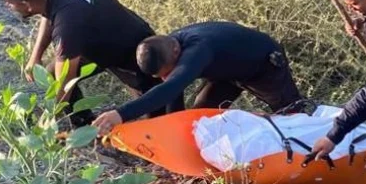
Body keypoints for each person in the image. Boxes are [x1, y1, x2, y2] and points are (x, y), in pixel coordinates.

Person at [0, 0, 168, 126]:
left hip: (134, 51)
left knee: (155, 116)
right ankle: (85, 125)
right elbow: (48, 15)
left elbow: (66, 80)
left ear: (26, 3)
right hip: (97, 42)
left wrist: (52, 115)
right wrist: (35, 56)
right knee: (50, 74)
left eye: (9, 3)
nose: (8, 7)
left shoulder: (68, 23)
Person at [91, 21, 306, 133]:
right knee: (199, 118)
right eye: (161, 76)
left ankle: (321, 143)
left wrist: (120, 114)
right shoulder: (169, 46)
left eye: (167, 72)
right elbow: (173, 89)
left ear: (177, 53)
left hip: (263, 65)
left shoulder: (196, 50)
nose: (166, 78)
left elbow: (170, 89)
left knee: (294, 115)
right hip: (226, 73)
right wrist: (172, 129)